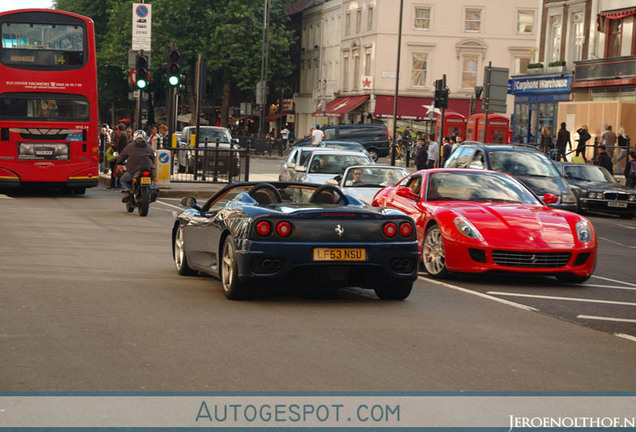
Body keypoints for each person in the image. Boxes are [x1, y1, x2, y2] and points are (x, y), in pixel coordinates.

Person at [116, 130, 156, 202]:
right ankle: (153, 188)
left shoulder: (129, 146)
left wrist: (119, 162)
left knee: (123, 180)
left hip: (133, 170)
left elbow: (121, 157)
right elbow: (152, 157)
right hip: (148, 169)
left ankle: (127, 191)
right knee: (152, 179)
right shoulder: (148, 147)